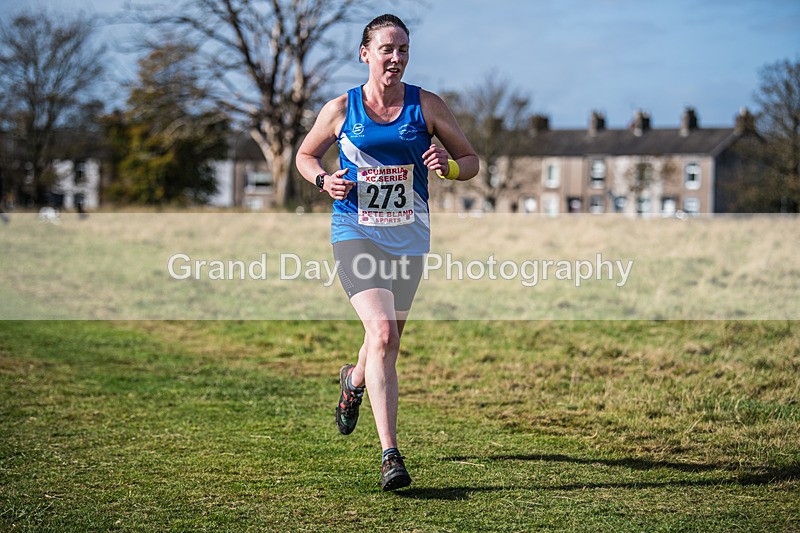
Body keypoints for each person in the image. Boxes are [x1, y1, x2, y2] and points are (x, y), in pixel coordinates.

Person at [295, 13, 478, 491]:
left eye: (402, 51)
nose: (395, 58)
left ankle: (353, 381)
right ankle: (390, 455)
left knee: (386, 343)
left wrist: (450, 167)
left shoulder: (428, 105)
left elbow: (472, 160)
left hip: (410, 238)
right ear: (365, 53)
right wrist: (322, 179)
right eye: (386, 50)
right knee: (379, 334)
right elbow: (304, 154)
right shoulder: (340, 109)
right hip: (355, 230)